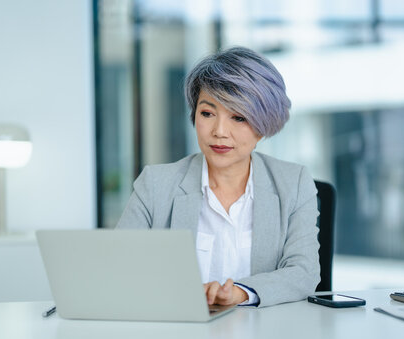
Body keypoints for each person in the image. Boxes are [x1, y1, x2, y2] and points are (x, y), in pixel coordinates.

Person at [117, 46, 319, 307]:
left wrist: (241, 293)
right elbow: (121, 268)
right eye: (207, 113)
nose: (220, 131)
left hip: (265, 336)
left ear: (263, 124)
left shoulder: (294, 183)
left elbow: (304, 272)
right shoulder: (155, 185)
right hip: (178, 334)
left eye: (238, 117)